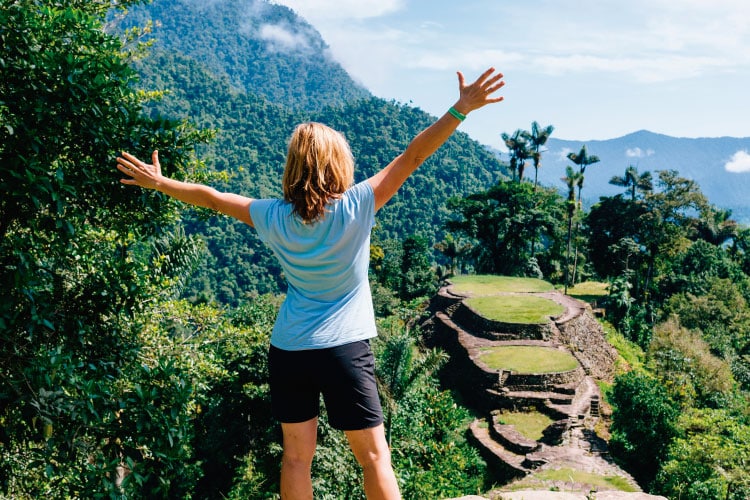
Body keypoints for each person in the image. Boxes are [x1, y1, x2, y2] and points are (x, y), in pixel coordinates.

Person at [116, 67, 504, 500]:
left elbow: (210, 196)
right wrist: (461, 109)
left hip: (289, 349)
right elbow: (413, 156)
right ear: (339, 163)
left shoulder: (272, 215)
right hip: (343, 348)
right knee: (374, 457)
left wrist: (160, 182)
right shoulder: (358, 205)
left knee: (297, 459)